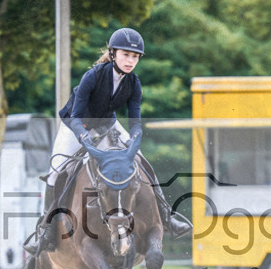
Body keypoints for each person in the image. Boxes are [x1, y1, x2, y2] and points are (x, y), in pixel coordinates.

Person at [25, 28, 192, 255]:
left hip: (107, 124)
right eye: (126, 55)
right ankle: (46, 230)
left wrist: (135, 141)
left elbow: (135, 122)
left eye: (135, 57)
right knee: (56, 172)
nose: (130, 61)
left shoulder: (133, 83)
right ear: (113, 54)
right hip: (76, 125)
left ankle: (167, 216)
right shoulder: (93, 76)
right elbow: (76, 115)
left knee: (141, 160)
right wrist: (84, 137)